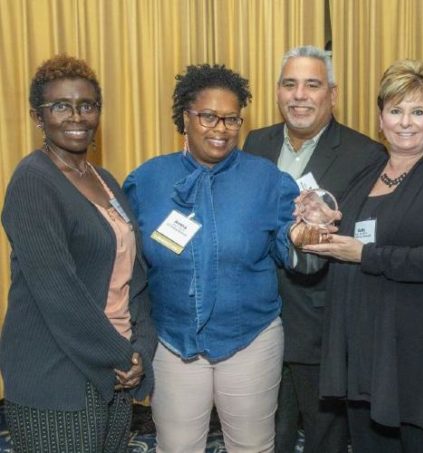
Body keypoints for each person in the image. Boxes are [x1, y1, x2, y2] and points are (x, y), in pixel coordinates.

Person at [302, 59, 423, 452]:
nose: (406, 122)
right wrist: (321, 218)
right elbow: (345, 240)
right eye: (396, 110)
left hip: (422, 354)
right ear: (380, 119)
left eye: (418, 112)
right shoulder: (364, 177)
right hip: (369, 350)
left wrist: (366, 255)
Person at [123, 64, 299, 453]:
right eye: (208, 116)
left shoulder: (267, 180)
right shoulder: (147, 181)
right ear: (185, 117)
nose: (221, 128)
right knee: (177, 447)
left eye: (231, 119)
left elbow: (290, 250)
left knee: (252, 447)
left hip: (251, 338)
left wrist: (304, 235)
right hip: (172, 341)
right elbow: (129, 265)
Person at [1, 54, 157, 453]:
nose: (76, 117)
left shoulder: (104, 180)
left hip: (115, 368)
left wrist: (141, 349)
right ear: (38, 116)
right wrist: (120, 355)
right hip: (58, 375)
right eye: (61, 106)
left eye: (87, 106)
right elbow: (59, 292)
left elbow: (134, 277)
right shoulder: (33, 181)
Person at [244, 45, 386, 453]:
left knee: (325, 437)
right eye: (290, 84)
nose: (299, 95)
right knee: (266, 434)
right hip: (257, 319)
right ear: (277, 91)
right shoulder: (255, 143)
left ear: (332, 94)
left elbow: (363, 239)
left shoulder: (365, 155)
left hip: (322, 323)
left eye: (312, 85)